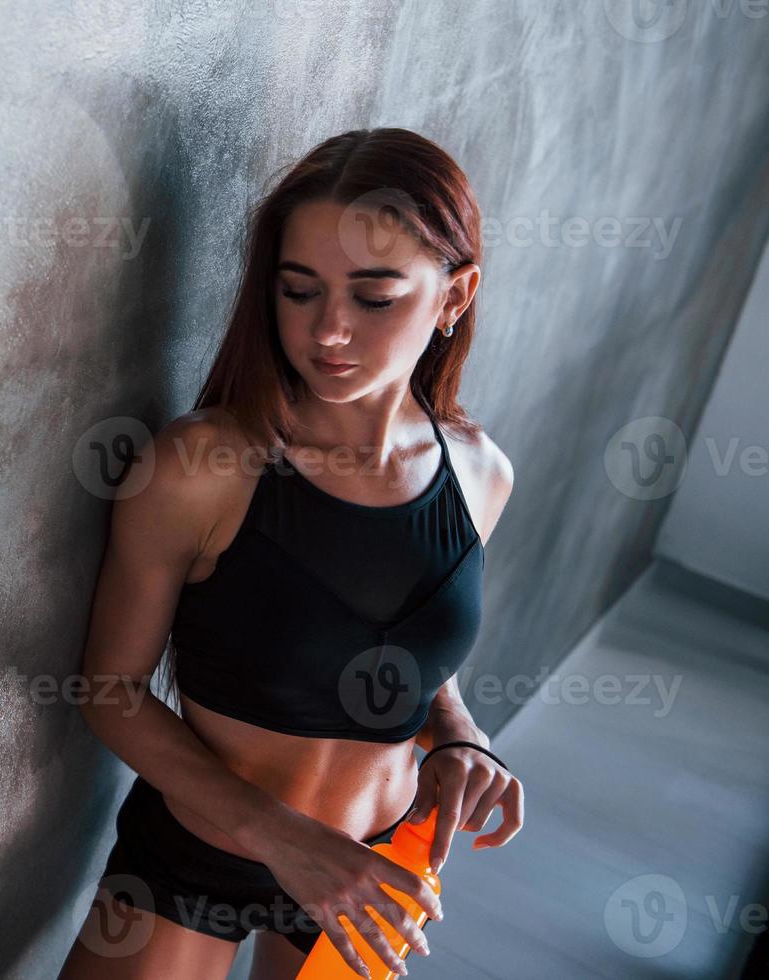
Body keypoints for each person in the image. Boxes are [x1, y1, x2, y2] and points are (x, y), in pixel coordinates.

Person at [58, 128, 525, 980]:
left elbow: (407, 666)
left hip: (375, 868)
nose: (329, 330)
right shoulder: (200, 468)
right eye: (298, 290)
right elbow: (108, 692)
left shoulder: (479, 475)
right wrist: (284, 839)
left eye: (374, 297)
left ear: (454, 296)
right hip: (202, 857)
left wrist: (458, 736)